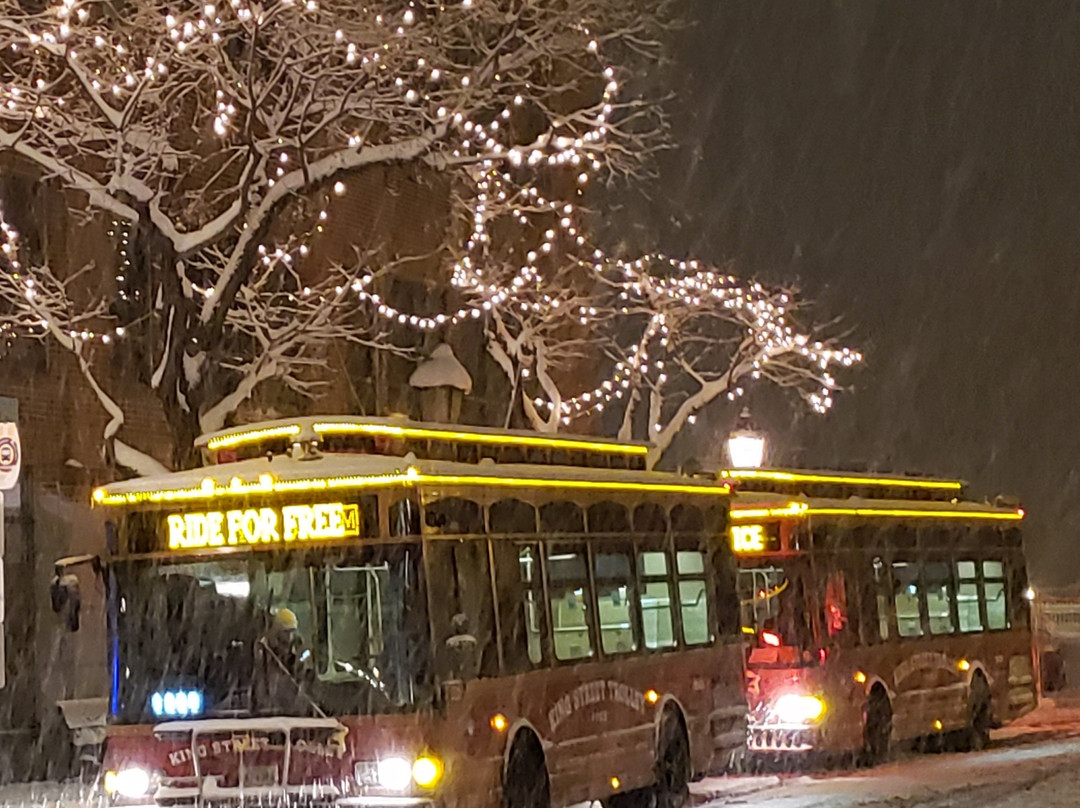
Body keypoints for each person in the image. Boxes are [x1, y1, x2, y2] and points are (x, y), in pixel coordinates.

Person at [253, 608, 315, 715]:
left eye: (292, 632)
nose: (289, 636)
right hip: (268, 712)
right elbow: (261, 684)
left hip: (295, 712)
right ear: (277, 632)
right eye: (286, 632)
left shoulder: (301, 651)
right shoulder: (264, 651)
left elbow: (304, 679)